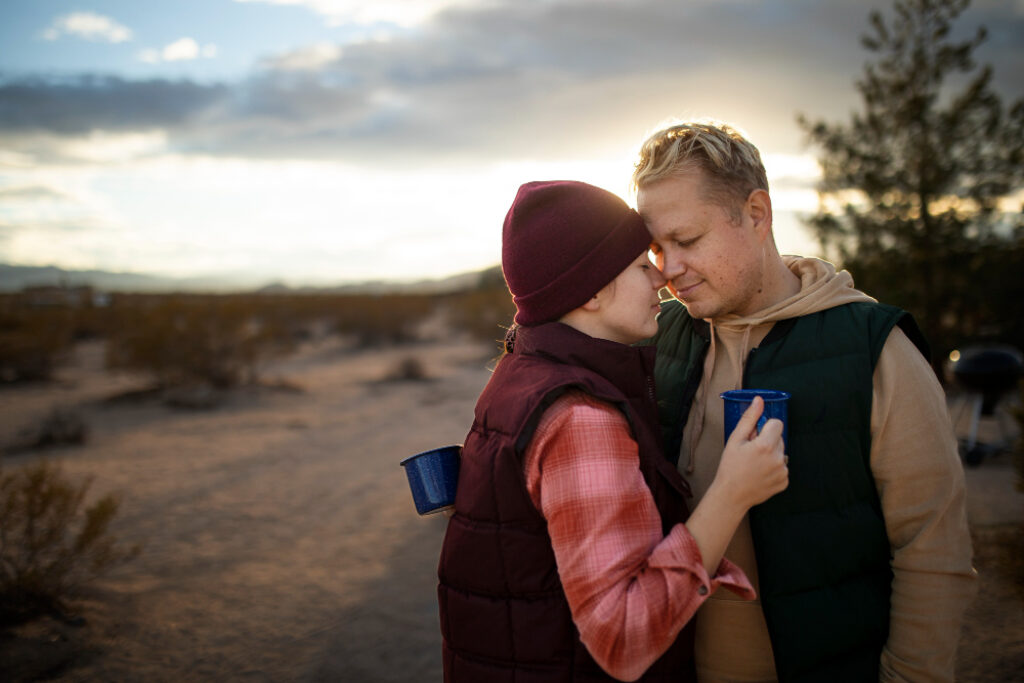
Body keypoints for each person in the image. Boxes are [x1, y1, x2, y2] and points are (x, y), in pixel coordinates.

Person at [632, 120, 977, 683]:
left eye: (687, 241)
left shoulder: (872, 348)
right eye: (656, 248)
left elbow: (932, 549)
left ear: (757, 214)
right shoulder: (656, 337)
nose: (669, 270)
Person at [437, 180, 789, 682]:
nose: (662, 278)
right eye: (643, 265)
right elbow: (622, 638)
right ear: (594, 291)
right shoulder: (581, 420)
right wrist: (732, 494)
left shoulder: (522, 373)